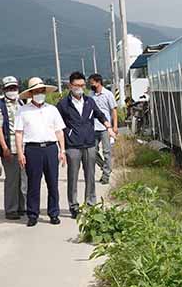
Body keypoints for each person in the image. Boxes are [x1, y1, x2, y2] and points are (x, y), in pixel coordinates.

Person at [15, 77, 66, 227]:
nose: (39, 94)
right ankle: (32, 214)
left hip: (50, 148)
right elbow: (18, 133)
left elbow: (59, 131)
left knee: (53, 183)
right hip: (32, 149)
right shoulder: (23, 111)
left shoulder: (52, 109)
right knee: (33, 184)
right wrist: (20, 153)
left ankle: (54, 213)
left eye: (42, 91)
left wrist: (62, 150)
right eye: (36, 91)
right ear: (31, 93)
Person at [57, 72, 109, 218]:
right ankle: (73, 205)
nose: (80, 88)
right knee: (73, 176)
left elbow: (99, 114)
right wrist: (63, 144)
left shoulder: (89, 101)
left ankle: (91, 203)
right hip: (73, 146)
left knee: (90, 175)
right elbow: (57, 124)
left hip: (89, 144)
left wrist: (107, 124)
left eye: (82, 85)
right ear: (70, 86)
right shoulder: (63, 104)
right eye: (77, 85)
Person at [0, 75, 27, 219]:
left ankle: (22, 206)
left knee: (23, 179)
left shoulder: (21, 102)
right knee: (12, 180)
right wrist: (4, 147)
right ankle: (11, 209)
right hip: (10, 147)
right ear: (4, 90)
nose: (12, 91)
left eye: (14, 88)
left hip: (23, 147)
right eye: (9, 88)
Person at [88, 74, 119, 184]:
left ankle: (106, 175)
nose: (91, 85)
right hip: (93, 127)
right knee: (92, 152)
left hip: (105, 128)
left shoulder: (108, 94)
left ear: (98, 82)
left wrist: (115, 126)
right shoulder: (90, 95)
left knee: (107, 152)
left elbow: (114, 110)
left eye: (92, 83)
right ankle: (104, 166)